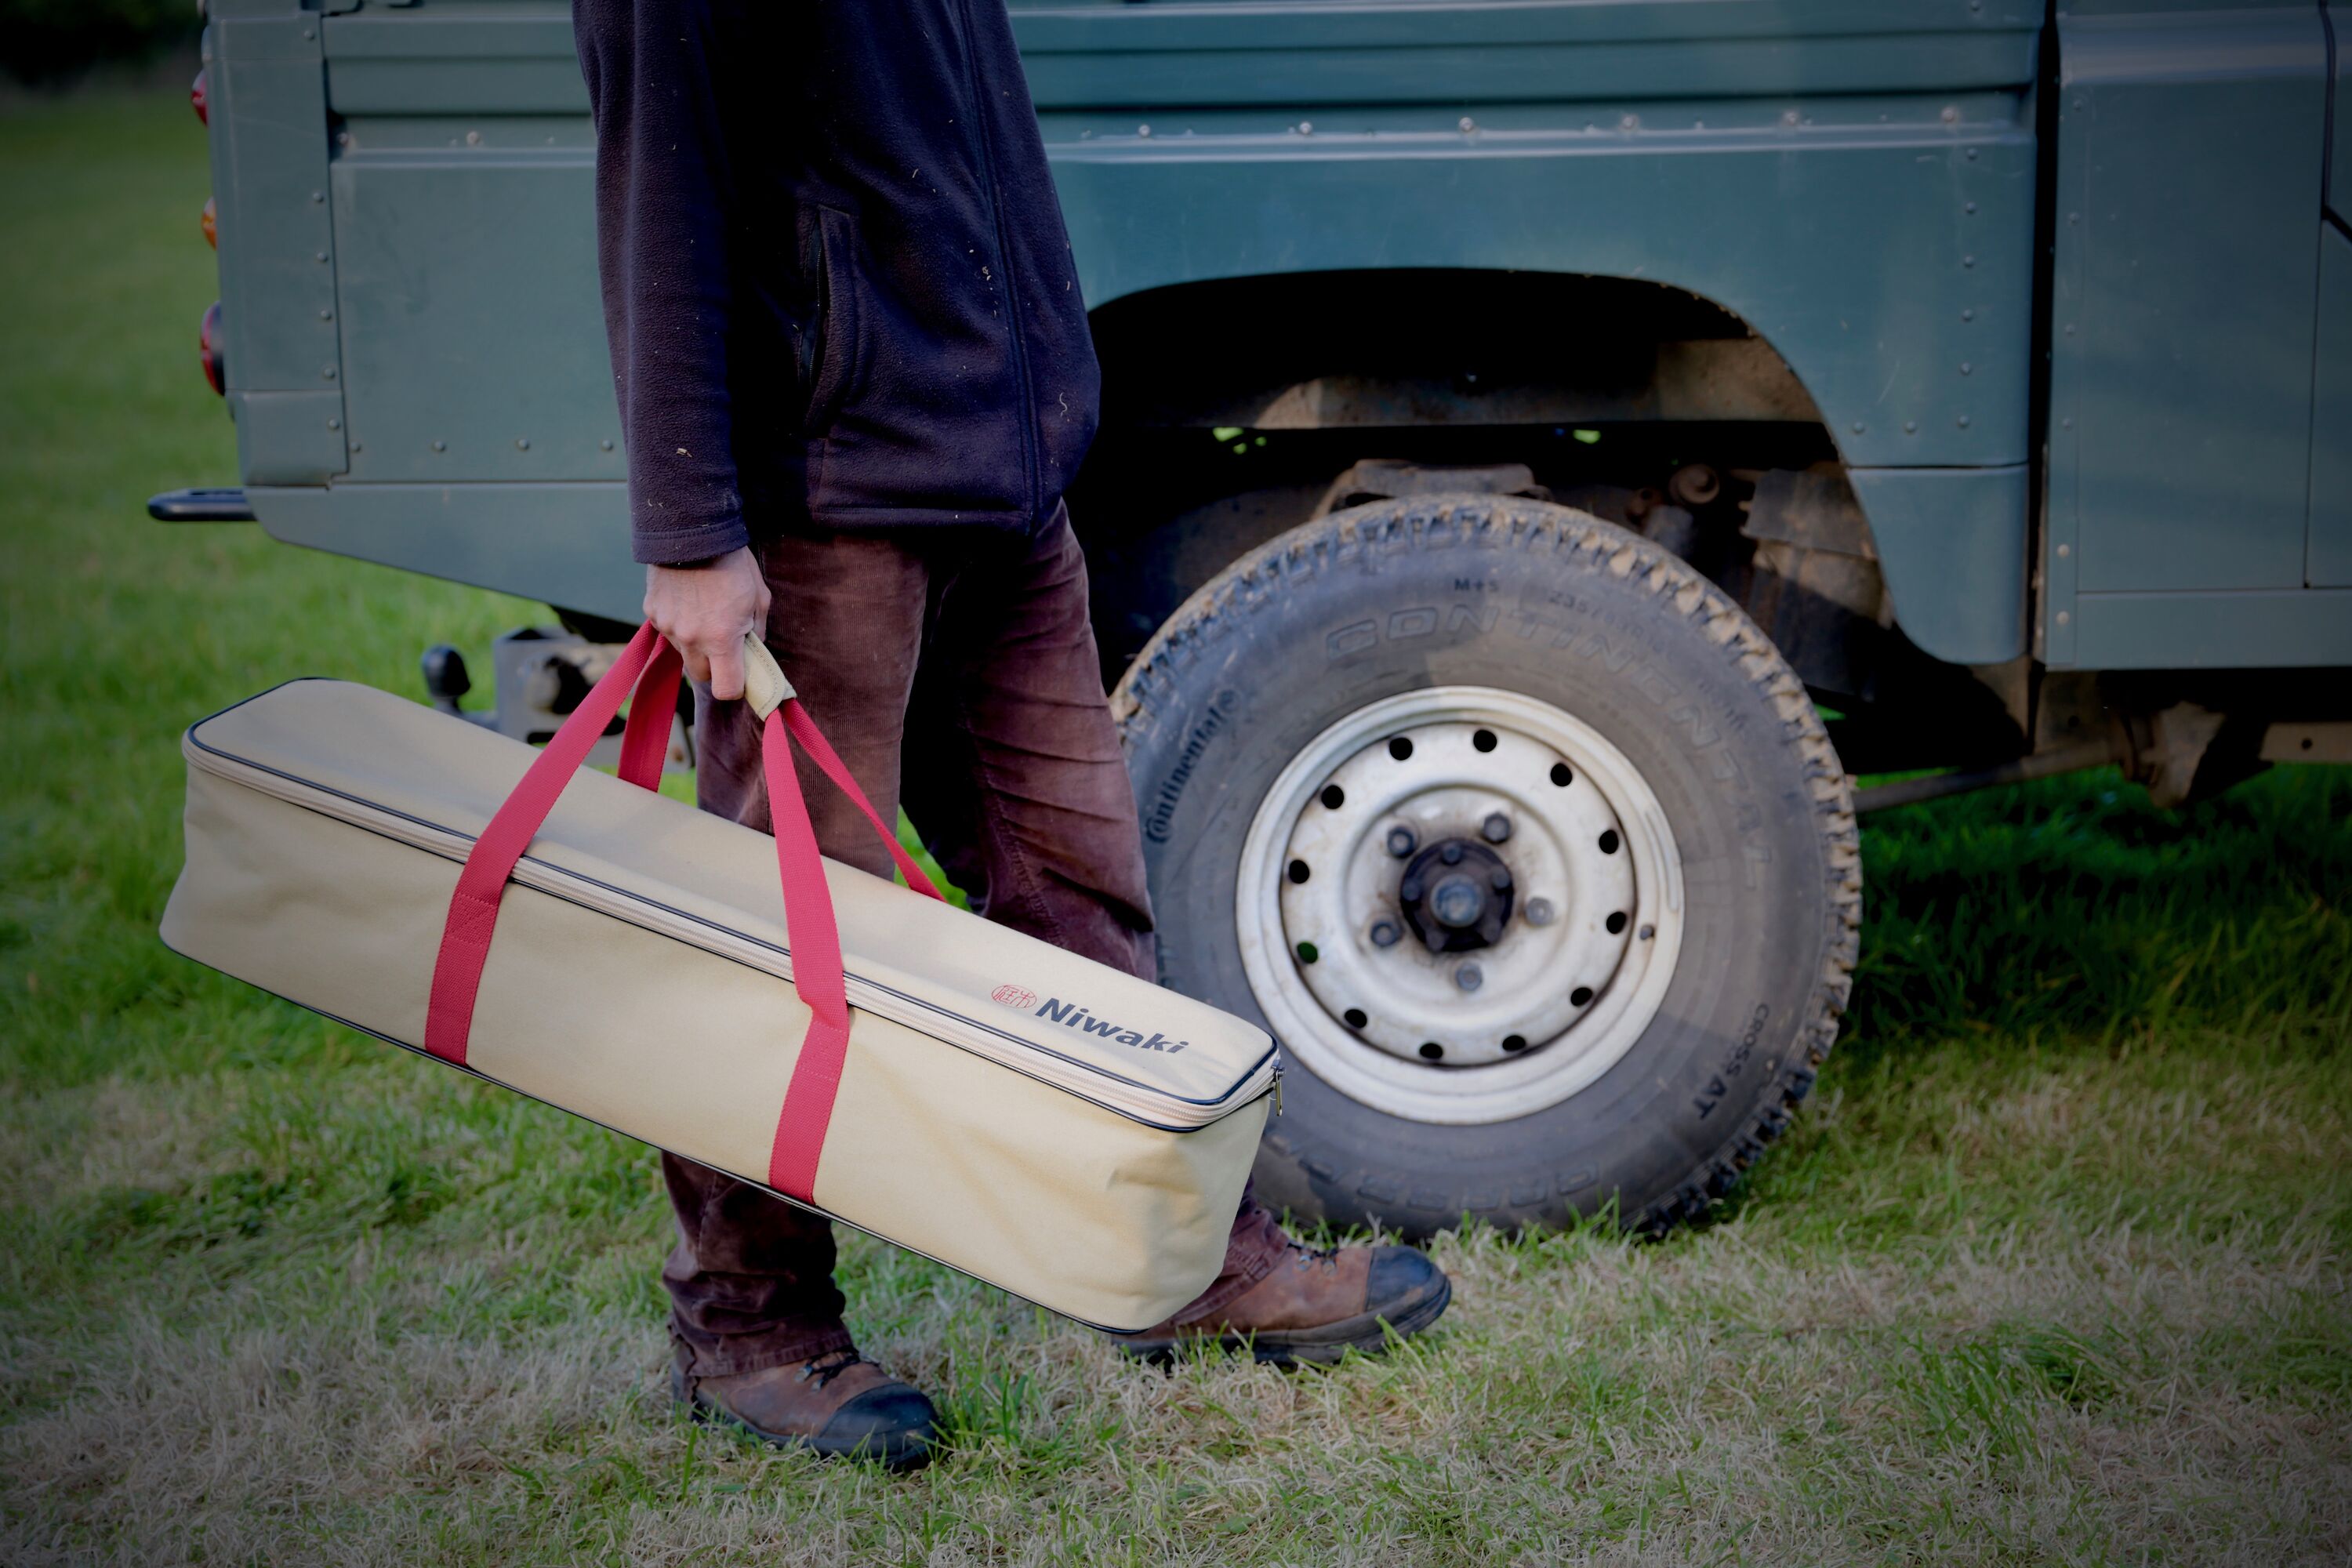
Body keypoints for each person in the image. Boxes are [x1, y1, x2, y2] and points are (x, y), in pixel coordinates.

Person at [572, 0, 1452, 1471]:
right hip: (832, 498)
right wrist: (690, 532)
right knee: (792, 944)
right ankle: (749, 1325)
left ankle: (1177, 1263)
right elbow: (656, 196)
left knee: (1081, 892)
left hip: (1002, 480)